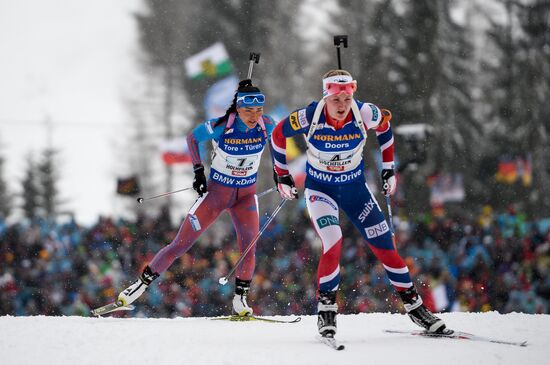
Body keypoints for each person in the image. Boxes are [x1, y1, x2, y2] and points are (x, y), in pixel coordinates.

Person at [270, 70, 449, 337]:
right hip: (321, 191)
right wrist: (281, 174)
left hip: (355, 191)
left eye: (346, 98)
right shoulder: (310, 115)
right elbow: (277, 135)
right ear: (325, 97)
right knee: (334, 239)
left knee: (386, 248)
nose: (342, 106)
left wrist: (388, 169)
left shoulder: (365, 113)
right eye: (335, 100)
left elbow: (386, 130)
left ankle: (416, 308)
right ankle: (326, 310)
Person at [118, 79, 276, 316]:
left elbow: (281, 143)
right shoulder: (222, 125)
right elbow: (192, 138)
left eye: (258, 111)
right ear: (237, 109)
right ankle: (139, 286)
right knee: (180, 245)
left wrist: (281, 173)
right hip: (216, 196)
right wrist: (198, 171)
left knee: (248, 247)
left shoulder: (267, 125)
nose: (254, 116)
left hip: (245, 197)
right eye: (248, 110)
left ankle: (240, 300)